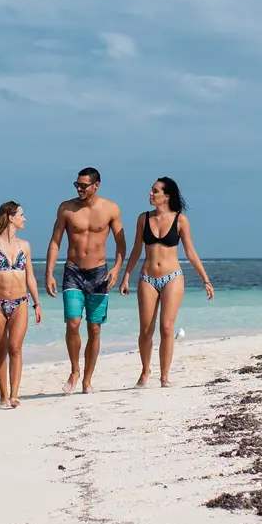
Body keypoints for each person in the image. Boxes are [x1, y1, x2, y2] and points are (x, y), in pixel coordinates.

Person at [118, 177, 214, 387]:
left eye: (155, 191)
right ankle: (145, 371)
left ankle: (164, 376)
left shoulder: (180, 220)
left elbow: (190, 252)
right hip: (147, 278)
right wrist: (126, 276)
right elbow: (136, 250)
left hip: (173, 277)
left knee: (167, 328)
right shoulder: (143, 218)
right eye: (151, 191)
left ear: (166, 196)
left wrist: (205, 280)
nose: (150, 194)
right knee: (145, 329)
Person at [44, 166, 125, 395]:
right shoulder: (66, 208)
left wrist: (117, 269)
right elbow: (55, 242)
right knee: (73, 323)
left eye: (83, 185)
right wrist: (49, 273)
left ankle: (88, 379)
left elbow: (121, 243)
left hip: (99, 274)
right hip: (73, 272)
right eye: (76, 185)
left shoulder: (110, 209)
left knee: (95, 328)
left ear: (96, 185)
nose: (79, 188)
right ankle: (74, 370)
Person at [0, 201, 42, 408]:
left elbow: (30, 276)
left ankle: (14, 395)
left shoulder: (25, 245)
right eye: (21, 215)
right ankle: (3, 396)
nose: (24, 218)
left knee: (15, 347)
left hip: (21, 301)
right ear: (10, 217)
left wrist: (37, 303)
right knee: (0, 349)